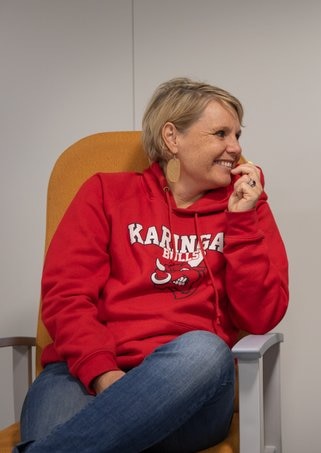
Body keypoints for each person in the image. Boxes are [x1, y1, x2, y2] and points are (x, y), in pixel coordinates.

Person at [16, 78, 289, 452]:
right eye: (221, 133)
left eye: (238, 135)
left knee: (205, 350)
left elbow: (262, 316)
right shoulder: (105, 193)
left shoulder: (247, 206)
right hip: (83, 373)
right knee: (66, 434)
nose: (236, 148)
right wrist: (104, 375)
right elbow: (67, 296)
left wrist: (241, 221)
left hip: (190, 389)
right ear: (172, 138)